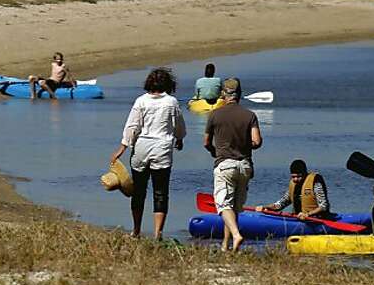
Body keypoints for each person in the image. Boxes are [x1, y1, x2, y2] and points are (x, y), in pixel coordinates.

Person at [108, 67, 186, 239]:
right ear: (168, 84)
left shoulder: (141, 101)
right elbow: (178, 124)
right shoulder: (171, 102)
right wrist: (179, 139)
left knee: (138, 191)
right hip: (162, 149)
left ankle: (136, 230)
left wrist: (122, 148)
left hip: (141, 149)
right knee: (160, 192)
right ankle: (158, 233)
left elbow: (132, 127)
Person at [203, 77, 261, 251]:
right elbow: (256, 142)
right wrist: (243, 144)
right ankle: (226, 245)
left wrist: (214, 151)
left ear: (223, 94)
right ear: (240, 94)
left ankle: (236, 236)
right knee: (234, 208)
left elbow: (206, 142)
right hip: (244, 166)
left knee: (223, 205)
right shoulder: (250, 115)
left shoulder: (214, 115)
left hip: (225, 165)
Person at [255, 159, 332, 220]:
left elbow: (323, 206)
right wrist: (265, 207)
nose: (295, 179)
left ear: (304, 174)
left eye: (299, 176)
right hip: (298, 218)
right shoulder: (293, 185)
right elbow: (280, 204)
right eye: (293, 177)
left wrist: (307, 214)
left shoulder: (315, 182)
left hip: (316, 219)